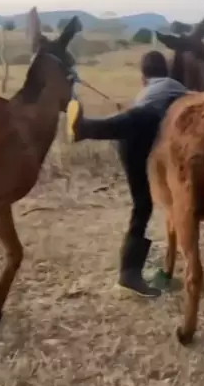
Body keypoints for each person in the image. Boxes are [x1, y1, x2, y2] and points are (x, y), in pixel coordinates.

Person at [67, 50, 189, 298]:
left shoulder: (148, 90)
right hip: (146, 133)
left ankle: (129, 273)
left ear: (143, 76)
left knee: (142, 205)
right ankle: (85, 128)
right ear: (165, 71)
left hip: (131, 140)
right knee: (143, 205)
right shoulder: (175, 86)